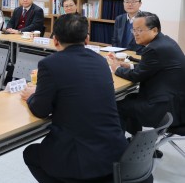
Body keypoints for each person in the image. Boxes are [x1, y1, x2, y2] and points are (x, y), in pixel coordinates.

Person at [20, 13, 128, 183]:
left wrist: (32, 95)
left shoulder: (49, 64)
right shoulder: (100, 61)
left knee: (31, 153)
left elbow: (40, 111)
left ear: (55, 40)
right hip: (115, 154)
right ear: (87, 39)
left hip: (80, 159)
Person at [109, 12, 185, 143]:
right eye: (134, 29)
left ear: (154, 30)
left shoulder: (154, 49)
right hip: (176, 103)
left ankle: (119, 148)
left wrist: (116, 68)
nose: (135, 33)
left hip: (165, 108)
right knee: (129, 98)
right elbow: (151, 67)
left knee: (117, 105)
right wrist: (130, 66)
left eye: (139, 30)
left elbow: (136, 76)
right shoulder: (165, 41)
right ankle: (136, 143)